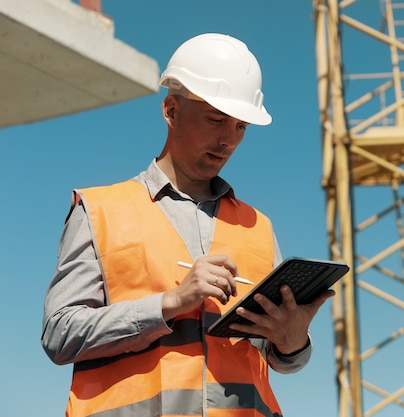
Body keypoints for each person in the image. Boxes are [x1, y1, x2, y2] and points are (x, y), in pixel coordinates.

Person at [41, 33, 334, 417]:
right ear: (171, 110)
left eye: (241, 127)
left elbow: (279, 361)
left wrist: (292, 343)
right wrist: (170, 304)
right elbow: (59, 335)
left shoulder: (257, 227)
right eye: (216, 119)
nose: (229, 139)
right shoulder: (100, 210)